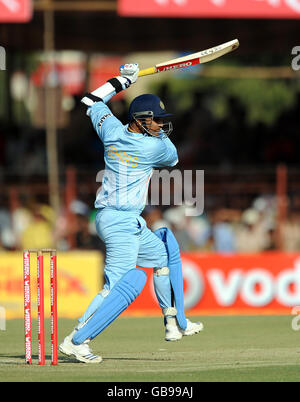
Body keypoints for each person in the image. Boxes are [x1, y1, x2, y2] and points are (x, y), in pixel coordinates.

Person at [59, 63, 203, 363]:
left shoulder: (110, 129)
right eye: (157, 121)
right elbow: (174, 158)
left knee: (162, 257)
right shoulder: (153, 149)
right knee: (116, 287)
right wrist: (159, 134)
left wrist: (122, 80)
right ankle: (76, 340)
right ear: (140, 120)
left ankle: (172, 323)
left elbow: (90, 101)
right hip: (119, 222)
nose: (161, 126)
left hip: (124, 220)